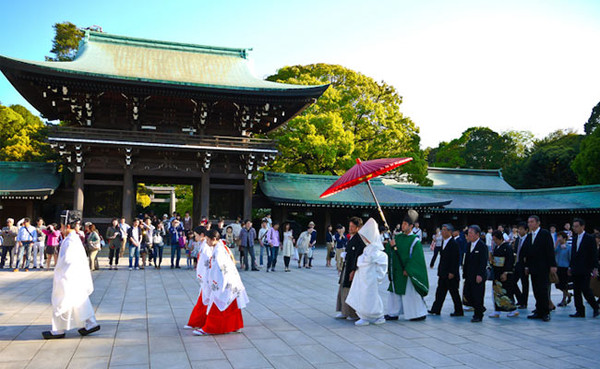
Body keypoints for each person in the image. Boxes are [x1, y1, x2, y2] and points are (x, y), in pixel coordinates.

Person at [42, 210, 100, 339]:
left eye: (62, 226)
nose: (61, 228)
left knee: (61, 302)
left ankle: (58, 330)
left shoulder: (70, 241)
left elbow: (68, 261)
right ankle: (90, 323)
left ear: (67, 226)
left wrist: (61, 272)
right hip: (75, 277)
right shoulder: (74, 239)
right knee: (80, 301)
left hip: (68, 277)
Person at [192, 229, 249, 336]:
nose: (207, 241)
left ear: (214, 239)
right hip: (229, 281)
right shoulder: (220, 247)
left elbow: (219, 269)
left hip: (223, 282)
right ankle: (235, 326)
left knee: (217, 304)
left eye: (208, 239)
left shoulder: (218, 252)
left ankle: (210, 328)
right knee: (231, 305)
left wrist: (213, 282)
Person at [384, 212, 429, 321]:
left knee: (410, 294)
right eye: (402, 224)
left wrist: (408, 269)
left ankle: (417, 313)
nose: (403, 226)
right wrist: (390, 246)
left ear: (411, 226)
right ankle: (393, 313)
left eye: (405, 224)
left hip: (407, 271)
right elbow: (390, 252)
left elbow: (416, 258)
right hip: (397, 270)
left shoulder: (415, 240)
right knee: (395, 293)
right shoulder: (398, 237)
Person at [345, 218, 388, 326]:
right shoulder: (368, 248)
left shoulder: (376, 250)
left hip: (370, 277)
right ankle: (364, 316)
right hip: (362, 276)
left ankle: (378, 315)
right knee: (362, 296)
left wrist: (378, 276)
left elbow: (383, 262)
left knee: (371, 297)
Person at [523, 215, 557, 322]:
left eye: (532, 222)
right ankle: (538, 310)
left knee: (543, 290)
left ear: (538, 223)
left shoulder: (545, 234)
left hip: (543, 267)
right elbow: (527, 253)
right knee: (536, 290)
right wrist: (527, 266)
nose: (530, 224)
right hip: (533, 267)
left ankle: (545, 312)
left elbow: (550, 250)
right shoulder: (529, 236)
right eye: (528, 222)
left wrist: (552, 265)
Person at [429, 224, 463, 317]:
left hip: (450, 274)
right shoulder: (444, 242)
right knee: (440, 292)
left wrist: (452, 272)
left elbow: (456, 259)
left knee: (454, 293)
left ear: (450, 232)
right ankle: (436, 309)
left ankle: (459, 310)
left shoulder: (454, 243)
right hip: (443, 273)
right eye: (442, 230)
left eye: (444, 230)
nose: (442, 232)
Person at [335, 217, 365, 320]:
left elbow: (357, 256)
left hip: (352, 268)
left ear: (358, 227)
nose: (350, 228)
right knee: (343, 288)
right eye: (350, 226)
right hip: (346, 266)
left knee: (349, 290)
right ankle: (343, 311)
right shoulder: (351, 238)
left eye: (353, 227)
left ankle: (352, 313)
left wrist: (353, 269)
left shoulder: (359, 239)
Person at [568, 218, 599, 318]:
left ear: (582, 226)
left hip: (585, 268)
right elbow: (573, 254)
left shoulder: (589, 238)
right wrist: (570, 267)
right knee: (576, 290)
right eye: (574, 226)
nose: (575, 228)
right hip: (576, 268)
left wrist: (595, 268)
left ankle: (595, 307)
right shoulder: (575, 238)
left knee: (586, 289)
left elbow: (594, 254)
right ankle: (580, 310)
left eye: (577, 226)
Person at [489, 230, 518, 318]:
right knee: (497, 292)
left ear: (500, 238)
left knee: (507, 292)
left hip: (504, 273)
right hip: (497, 272)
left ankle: (513, 309)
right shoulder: (497, 247)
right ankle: (497, 310)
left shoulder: (507, 247)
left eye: (495, 239)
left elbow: (510, 261)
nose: (494, 241)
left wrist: (506, 272)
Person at [462, 225, 488, 322]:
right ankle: (480, 308)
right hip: (469, 274)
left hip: (478, 275)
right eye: (468, 233)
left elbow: (483, 262)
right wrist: (464, 273)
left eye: (471, 233)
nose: (469, 235)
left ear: (477, 234)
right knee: (468, 294)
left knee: (478, 295)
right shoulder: (468, 245)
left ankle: (478, 315)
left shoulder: (482, 246)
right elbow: (466, 260)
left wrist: (480, 275)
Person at [186, 226, 209, 329]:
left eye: (196, 235)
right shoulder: (203, 245)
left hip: (208, 278)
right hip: (205, 277)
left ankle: (196, 322)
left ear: (202, 235)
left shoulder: (206, 246)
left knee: (203, 301)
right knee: (203, 301)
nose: (195, 237)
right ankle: (197, 322)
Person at [513, 222, 530, 309]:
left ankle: (524, 302)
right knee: (512, 281)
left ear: (526, 230)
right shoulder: (518, 239)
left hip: (524, 265)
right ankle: (520, 298)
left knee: (525, 283)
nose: (519, 231)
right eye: (518, 229)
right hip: (517, 263)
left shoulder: (529, 239)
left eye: (521, 229)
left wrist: (527, 265)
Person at [554, 232, 572, 307]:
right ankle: (568, 294)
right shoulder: (558, 247)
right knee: (558, 284)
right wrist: (556, 243)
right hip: (558, 267)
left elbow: (571, 258)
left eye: (560, 237)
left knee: (564, 284)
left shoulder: (568, 247)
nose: (559, 238)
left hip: (565, 267)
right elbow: (553, 252)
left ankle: (564, 300)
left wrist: (570, 268)